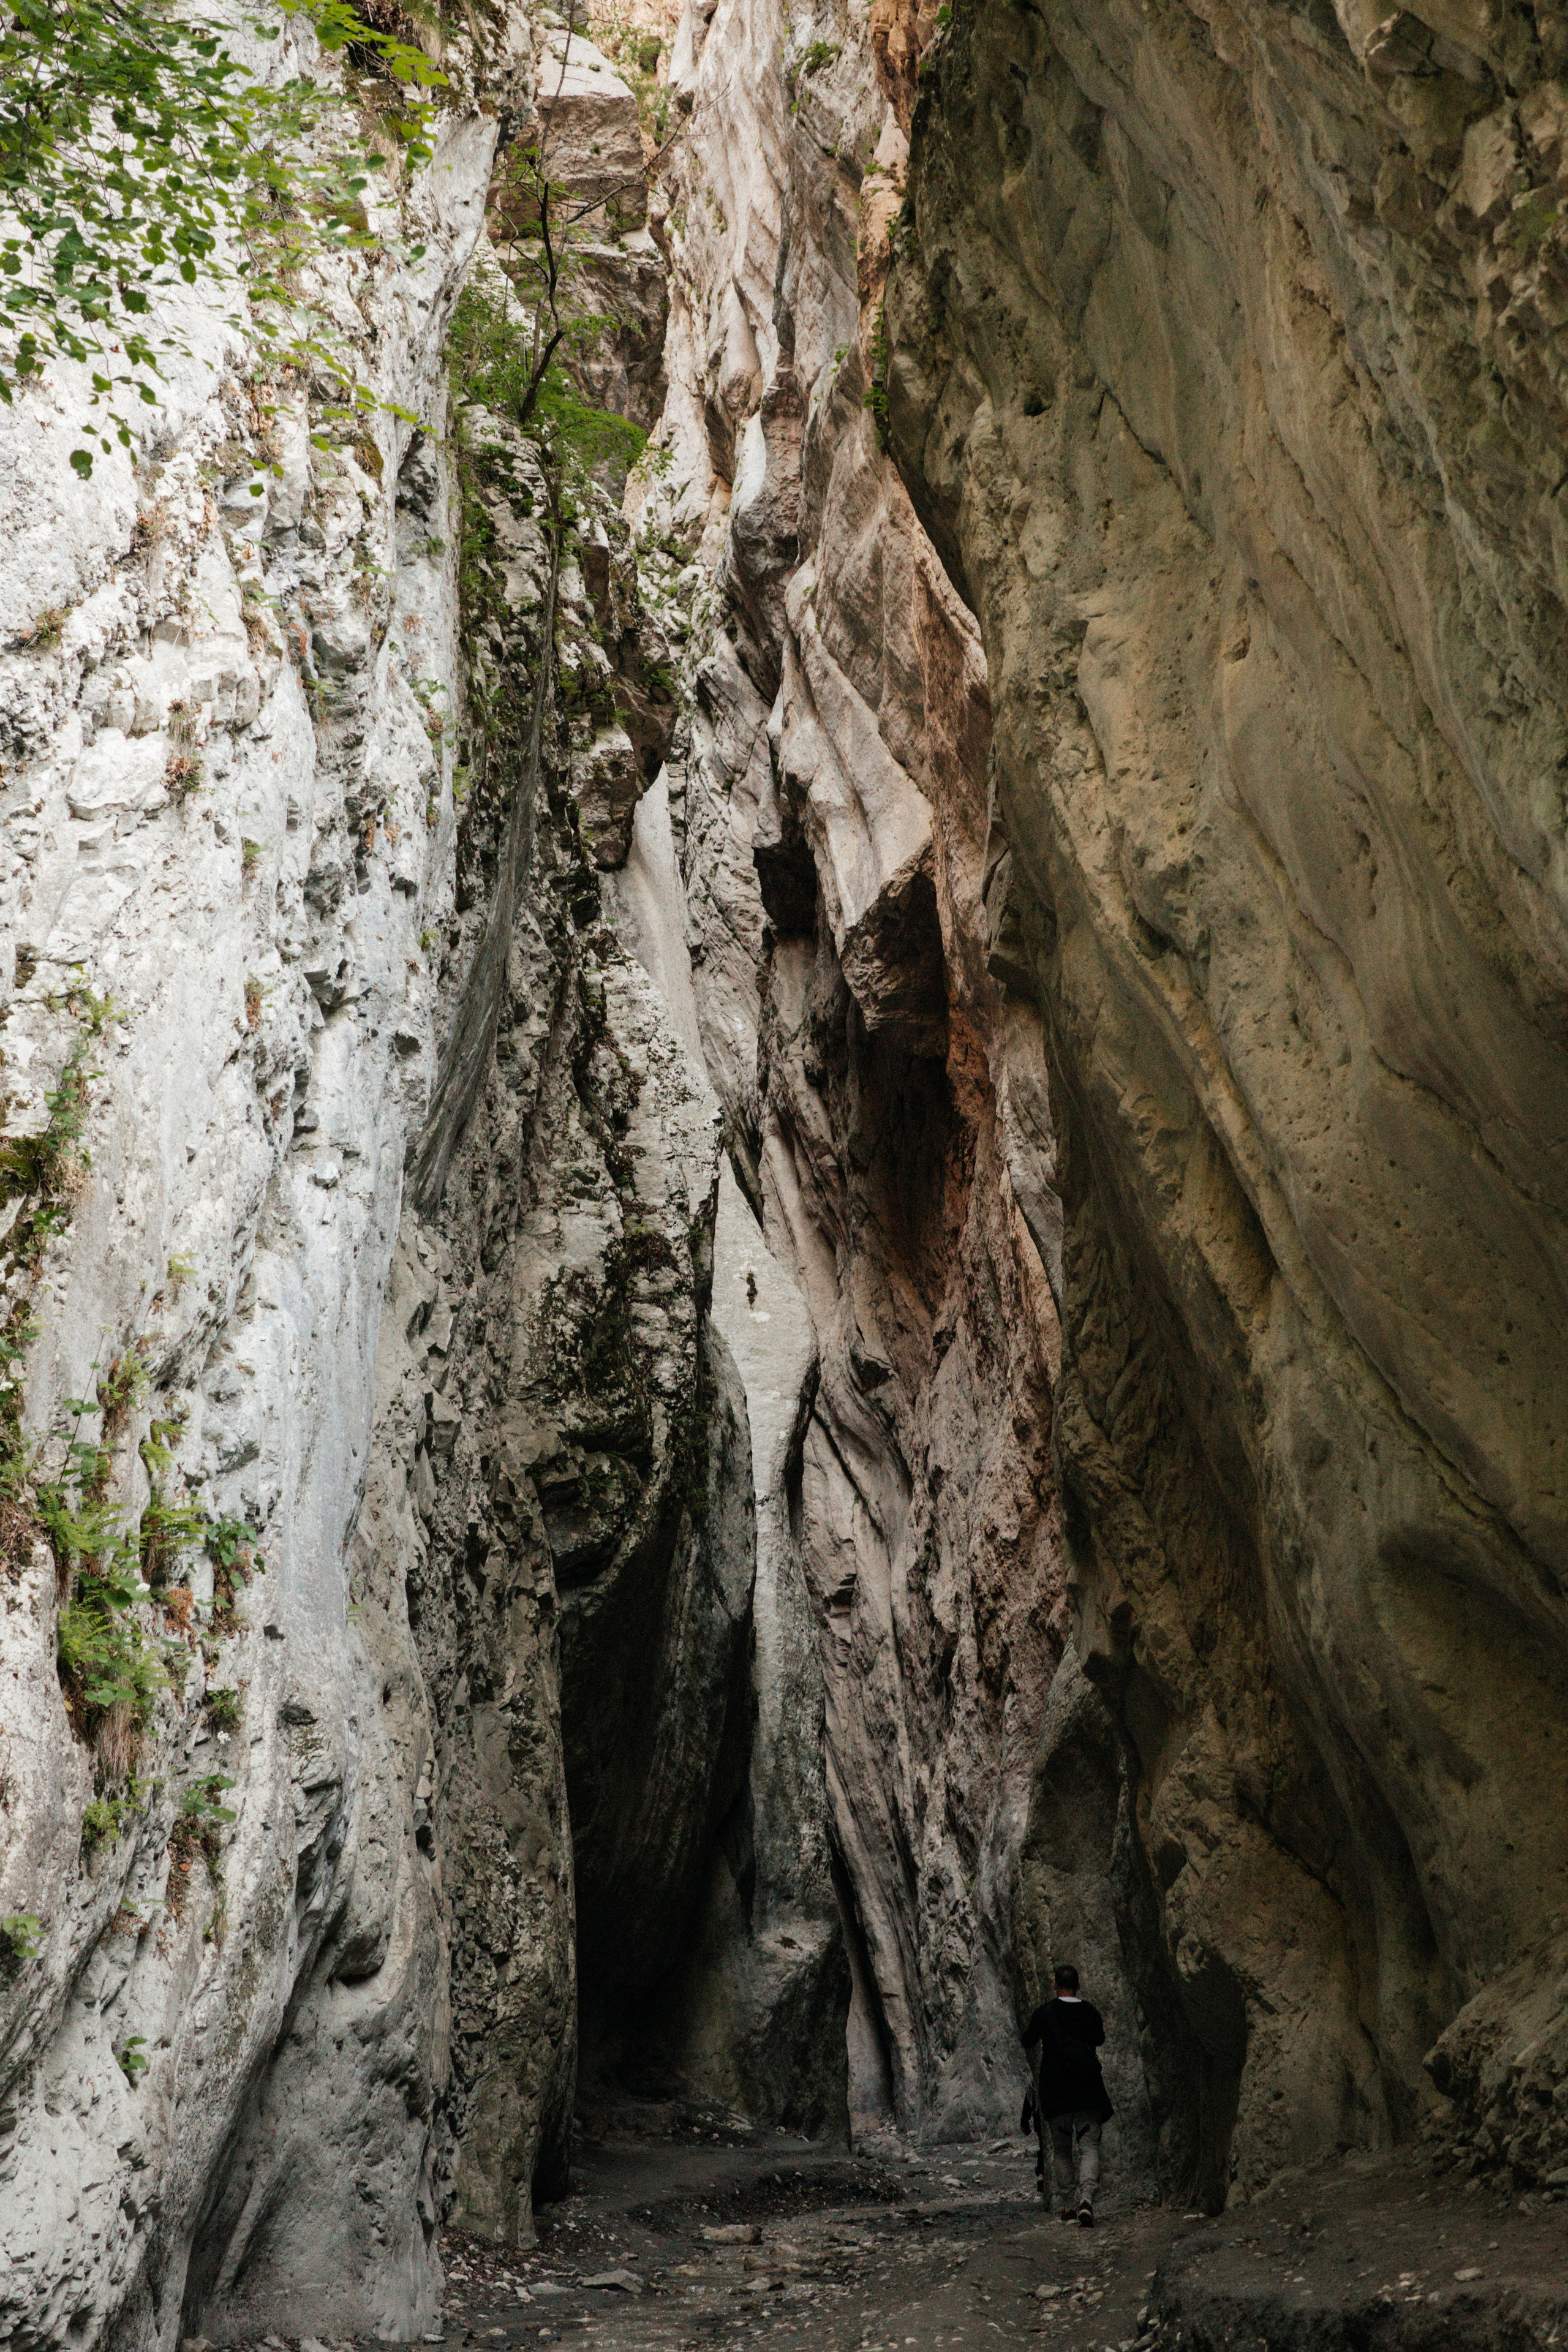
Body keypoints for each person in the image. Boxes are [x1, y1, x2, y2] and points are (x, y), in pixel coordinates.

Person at [1021, 1963, 1114, 2226]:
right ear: (1078, 1985)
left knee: (1062, 2150)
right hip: (1087, 2088)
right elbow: (1099, 2039)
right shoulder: (1090, 2011)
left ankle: (1069, 2206)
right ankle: (1087, 2200)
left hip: (1056, 2089)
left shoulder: (1044, 2013)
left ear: (1055, 1984)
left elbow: (1027, 2040)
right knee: (1089, 2147)